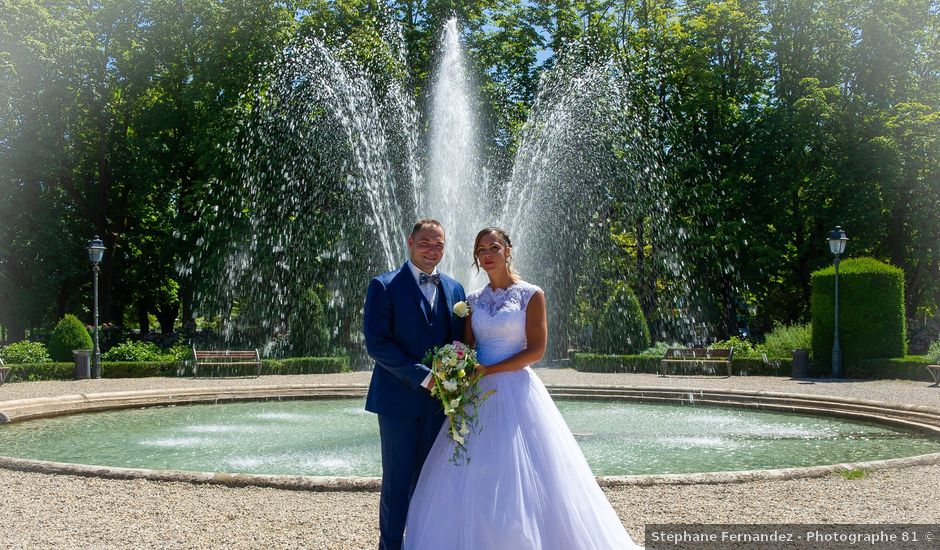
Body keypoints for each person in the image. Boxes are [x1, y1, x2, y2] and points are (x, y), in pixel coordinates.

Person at [403, 227, 642, 550]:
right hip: (477, 393)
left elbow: (535, 351)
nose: (487, 254)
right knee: (473, 472)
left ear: (508, 250)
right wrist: (457, 367)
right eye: (481, 250)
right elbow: (469, 348)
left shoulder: (532, 294)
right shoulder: (472, 300)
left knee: (525, 472)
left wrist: (489, 370)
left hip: (518, 390)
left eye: (494, 247)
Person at [363, 219, 467, 550]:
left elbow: (460, 342)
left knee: (431, 482)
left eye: (438, 245)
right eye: (425, 243)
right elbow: (377, 344)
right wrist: (425, 376)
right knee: (396, 483)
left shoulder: (455, 289)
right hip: (397, 404)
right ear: (410, 242)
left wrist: (458, 377)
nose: (432, 250)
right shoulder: (383, 285)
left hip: (439, 405)